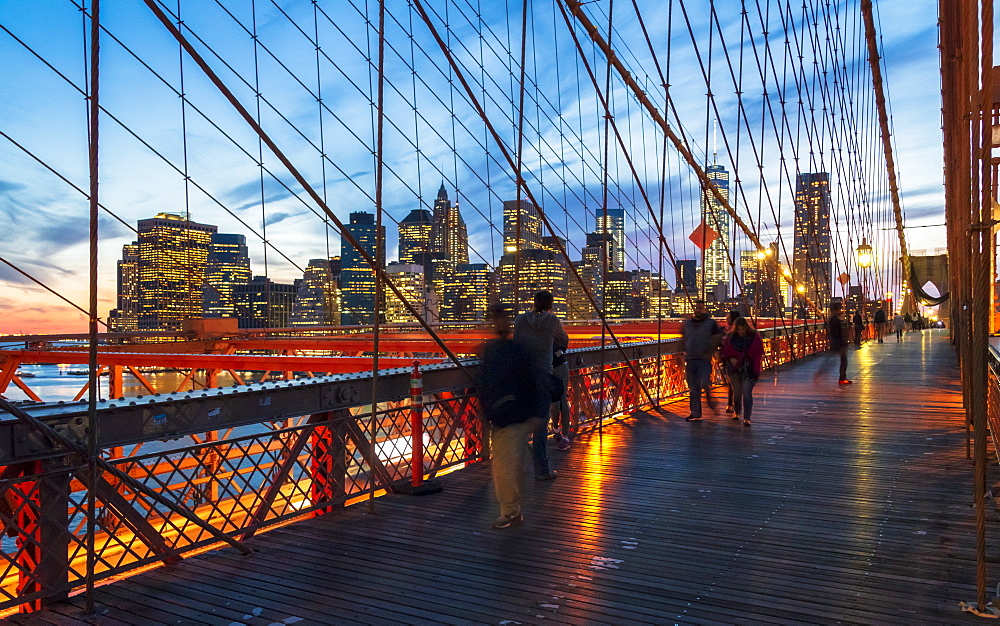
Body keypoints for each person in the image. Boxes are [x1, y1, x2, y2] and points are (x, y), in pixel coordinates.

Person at [478, 305, 546, 529]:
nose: (497, 325)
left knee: (504, 467)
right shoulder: (508, 349)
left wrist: (535, 413)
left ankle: (510, 512)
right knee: (511, 465)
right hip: (505, 415)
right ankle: (513, 509)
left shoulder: (500, 350)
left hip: (511, 415)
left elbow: (531, 382)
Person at [513, 290, 568, 480]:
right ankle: (542, 471)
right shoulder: (553, 321)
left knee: (520, 423)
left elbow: (515, 343)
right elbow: (564, 341)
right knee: (541, 426)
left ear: (534, 303)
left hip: (522, 376)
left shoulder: (520, 320)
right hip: (543, 376)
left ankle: (517, 467)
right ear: (551, 305)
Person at [682, 300, 723, 421]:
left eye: (700, 308)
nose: (698, 310)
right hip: (690, 358)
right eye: (697, 308)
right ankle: (695, 412)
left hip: (704, 359)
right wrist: (682, 353)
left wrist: (710, 351)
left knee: (705, 383)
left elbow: (717, 338)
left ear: (704, 309)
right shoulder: (687, 324)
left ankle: (710, 401)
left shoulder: (711, 324)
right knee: (693, 387)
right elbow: (683, 338)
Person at [720, 316, 764, 426]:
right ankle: (737, 412)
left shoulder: (754, 337)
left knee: (746, 391)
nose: (740, 332)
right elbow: (726, 352)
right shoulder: (731, 337)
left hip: (750, 368)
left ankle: (747, 417)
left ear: (746, 328)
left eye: (742, 329)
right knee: (737, 391)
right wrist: (731, 359)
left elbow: (758, 352)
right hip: (733, 369)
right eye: (738, 329)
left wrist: (745, 358)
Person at [550, 335, 572, 451]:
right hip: (551, 366)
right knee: (556, 401)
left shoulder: (528, 323)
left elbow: (563, 337)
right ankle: (558, 431)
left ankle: (563, 434)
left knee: (559, 400)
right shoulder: (549, 323)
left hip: (556, 366)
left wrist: (559, 352)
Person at [820, 302, 851, 384]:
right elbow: (838, 332)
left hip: (835, 342)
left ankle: (820, 374)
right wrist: (843, 342)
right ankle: (842, 378)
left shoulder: (832, 319)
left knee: (831, 360)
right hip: (838, 343)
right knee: (842, 361)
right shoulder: (835, 320)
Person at [724, 310, 742, 415]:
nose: (726, 319)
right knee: (734, 384)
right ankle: (733, 405)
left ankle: (733, 405)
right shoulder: (737, 331)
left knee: (734, 384)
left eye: (728, 317)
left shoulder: (732, 333)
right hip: (733, 361)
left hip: (734, 361)